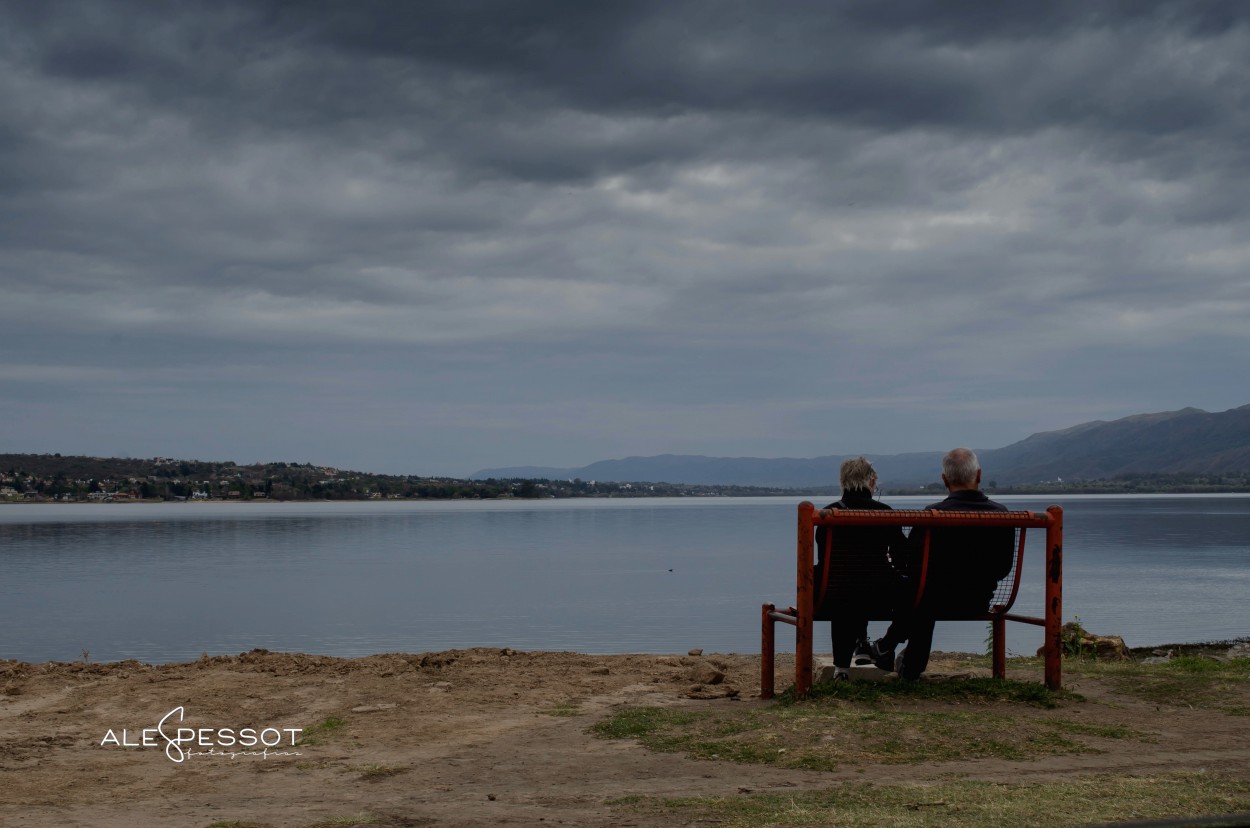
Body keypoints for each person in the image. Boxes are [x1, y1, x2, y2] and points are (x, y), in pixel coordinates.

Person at [867, 447, 1015, 680]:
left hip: (931, 602)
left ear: (944, 480)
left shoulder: (933, 514)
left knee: (921, 592)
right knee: (924, 593)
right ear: (978, 476)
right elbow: (1003, 568)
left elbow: (909, 563)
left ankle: (895, 653)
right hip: (977, 601)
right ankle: (891, 651)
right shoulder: (1002, 514)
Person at [814, 457, 906, 680]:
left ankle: (842, 669)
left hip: (833, 597)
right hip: (882, 596)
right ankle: (883, 646)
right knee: (912, 593)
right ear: (871, 481)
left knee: (846, 585)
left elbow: (825, 560)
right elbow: (903, 558)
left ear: (842, 482)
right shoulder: (886, 512)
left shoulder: (827, 514)